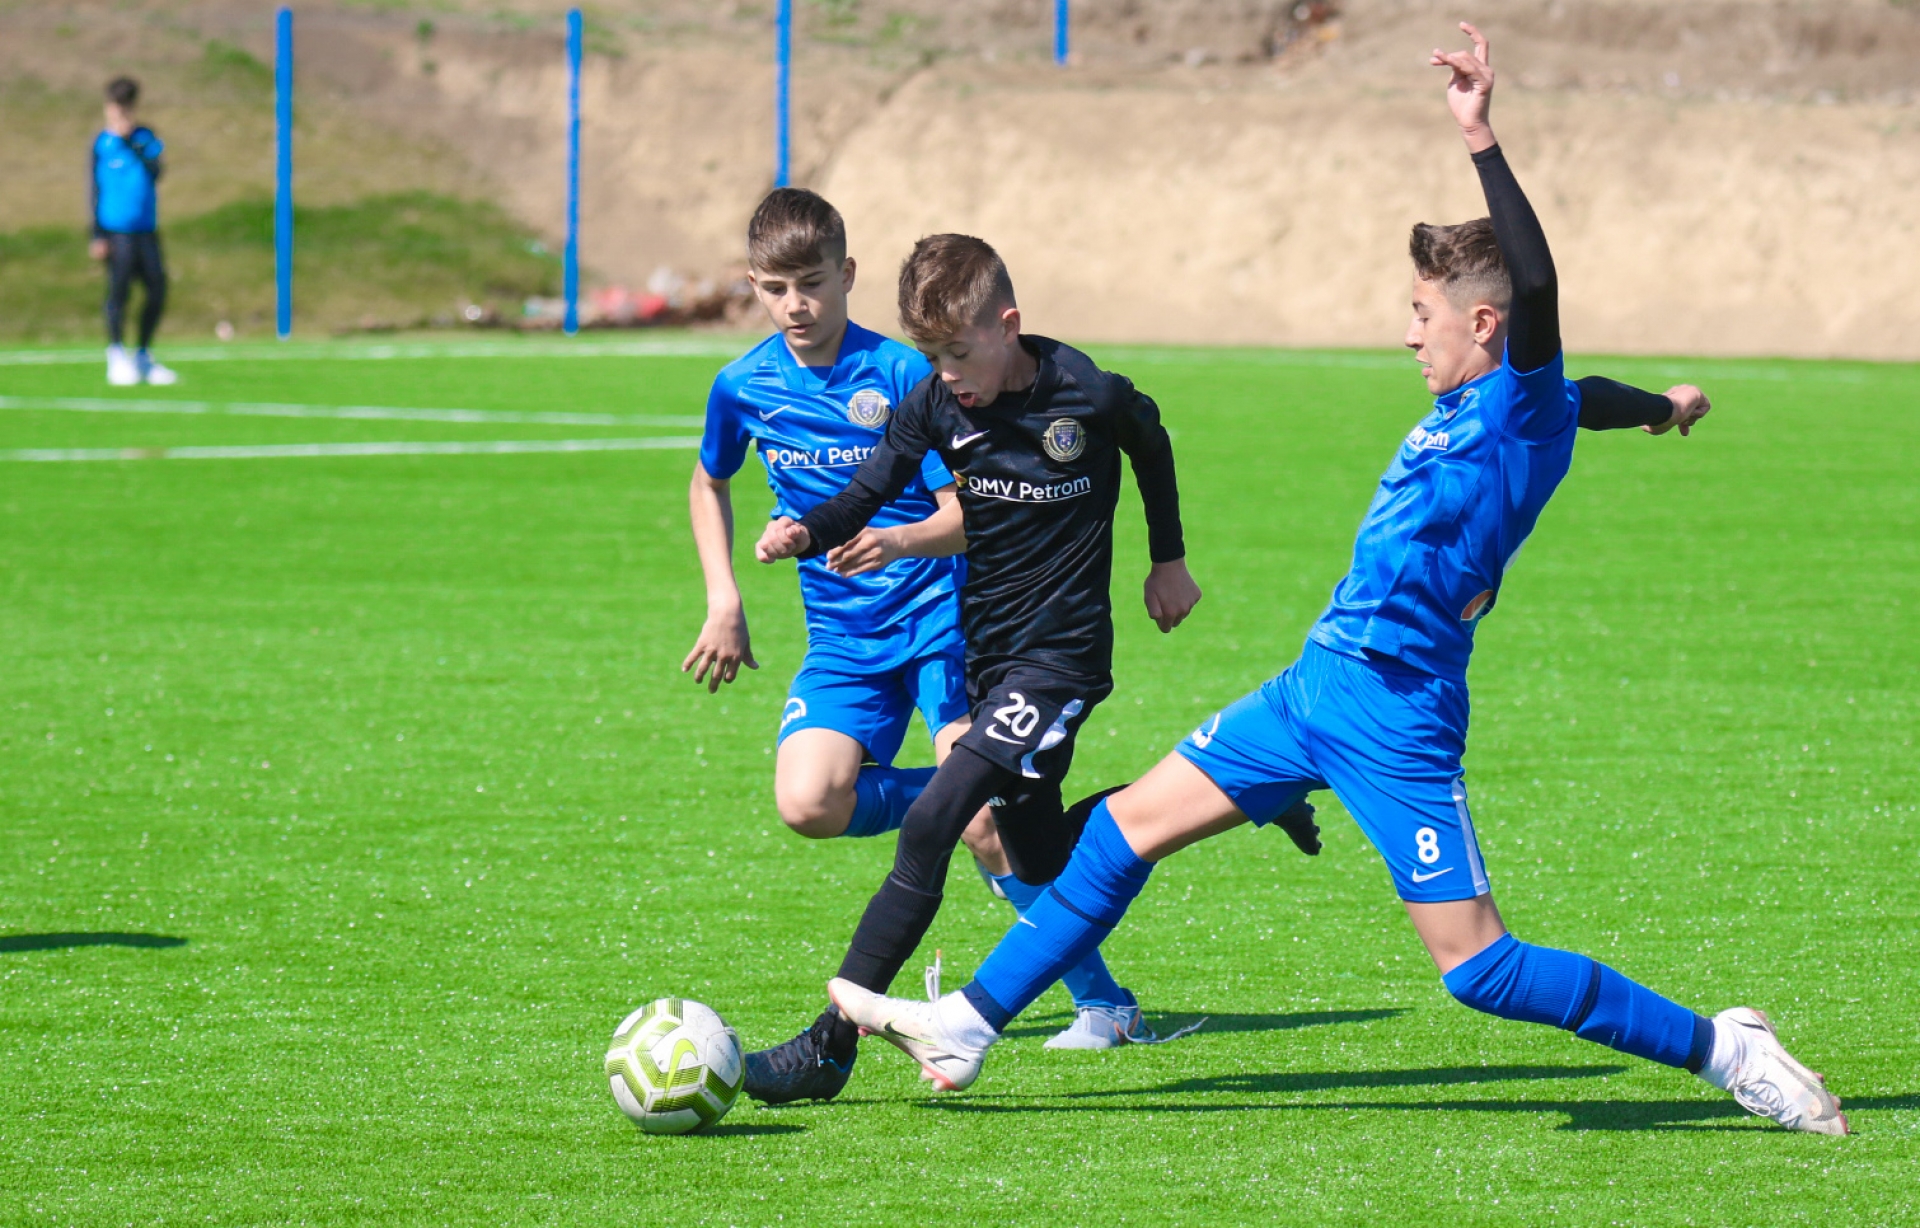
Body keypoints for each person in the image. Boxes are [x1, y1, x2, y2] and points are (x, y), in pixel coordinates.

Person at [827, 26, 1847, 1138]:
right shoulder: (1499, 402)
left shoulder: (1516, 403)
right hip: (1316, 683)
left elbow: (1544, 300)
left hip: (1397, 709)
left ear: (1485, 324)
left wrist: (1480, 136)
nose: (1408, 334)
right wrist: (1660, 405)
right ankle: (969, 1024)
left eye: (1423, 314)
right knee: (1120, 833)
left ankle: (1723, 1048)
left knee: (1480, 969)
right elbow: (1586, 394)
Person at [753, 231, 1323, 1100]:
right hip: (991, 654)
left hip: (1061, 661)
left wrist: (1167, 560)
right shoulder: (936, 404)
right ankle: (1251, 789)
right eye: (931, 357)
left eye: (958, 352)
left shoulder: (1085, 392)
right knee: (1041, 859)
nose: (947, 374)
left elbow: (1152, 443)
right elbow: (868, 491)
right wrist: (805, 530)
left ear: (1008, 325)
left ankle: (831, 1046)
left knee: (934, 820)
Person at [689, 192, 1169, 1105]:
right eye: (776, 288)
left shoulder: (918, 370)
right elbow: (712, 480)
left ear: (848, 276)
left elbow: (982, 508)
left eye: (811, 283)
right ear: (752, 286)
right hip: (845, 636)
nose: (795, 303)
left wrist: (901, 542)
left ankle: (1089, 999)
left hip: (948, 623)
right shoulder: (746, 384)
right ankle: (1148, 804)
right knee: (810, 803)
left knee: (968, 820)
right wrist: (729, 594)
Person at [90, 77, 175, 387]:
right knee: (119, 291)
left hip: (145, 228)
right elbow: (93, 189)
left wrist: (134, 145)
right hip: (116, 230)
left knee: (157, 289)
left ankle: (143, 354)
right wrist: (96, 235)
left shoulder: (145, 137)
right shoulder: (101, 144)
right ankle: (116, 354)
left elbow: (157, 171)